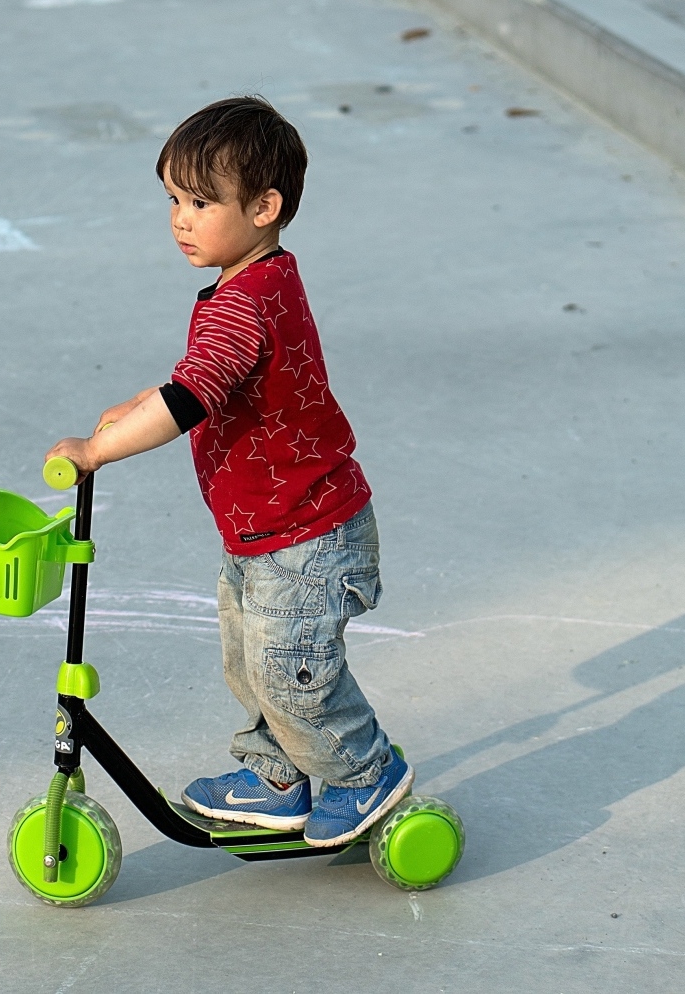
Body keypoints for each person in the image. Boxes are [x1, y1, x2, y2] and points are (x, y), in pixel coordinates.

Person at [44, 96, 412, 847]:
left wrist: (98, 449)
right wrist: (136, 403)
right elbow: (201, 379)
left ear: (266, 206)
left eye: (201, 202)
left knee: (291, 673)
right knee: (253, 664)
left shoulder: (246, 303)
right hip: (266, 529)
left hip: (306, 536)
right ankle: (281, 773)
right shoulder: (257, 282)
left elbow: (192, 397)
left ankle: (363, 772)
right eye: (174, 200)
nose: (181, 218)